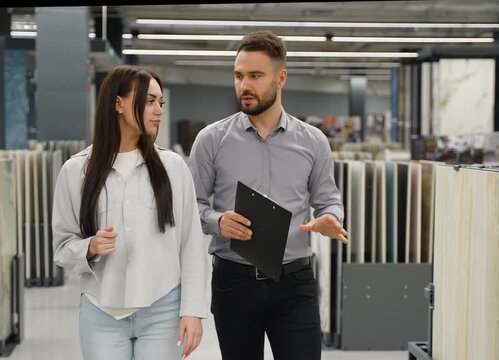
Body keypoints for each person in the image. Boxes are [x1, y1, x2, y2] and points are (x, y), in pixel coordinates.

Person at [188, 30, 349, 360]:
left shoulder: (313, 141)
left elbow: (328, 199)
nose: (244, 85)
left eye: (255, 76)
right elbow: (192, 207)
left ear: (281, 78)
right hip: (233, 282)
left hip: (294, 282)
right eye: (239, 75)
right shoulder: (211, 140)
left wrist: (332, 217)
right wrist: (218, 221)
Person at [52, 64, 207, 360]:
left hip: (163, 309)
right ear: (118, 103)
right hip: (101, 313)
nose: (158, 110)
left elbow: (191, 245)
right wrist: (90, 247)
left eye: (160, 102)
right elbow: (61, 248)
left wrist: (192, 309)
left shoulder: (173, 168)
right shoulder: (76, 171)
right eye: (149, 101)